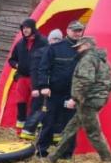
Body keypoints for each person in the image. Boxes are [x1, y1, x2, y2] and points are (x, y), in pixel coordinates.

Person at [48, 36, 111, 163]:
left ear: (86, 45)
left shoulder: (88, 59)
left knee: (93, 132)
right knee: (71, 128)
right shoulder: (103, 60)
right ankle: (53, 157)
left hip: (87, 101)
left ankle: (108, 160)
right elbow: (109, 83)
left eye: (79, 47)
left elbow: (85, 81)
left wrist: (75, 98)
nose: (77, 50)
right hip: (98, 98)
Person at [33, 21, 87, 155]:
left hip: (72, 95)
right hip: (54, 93)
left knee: (70, 125)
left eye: (79, 30)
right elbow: (43, 68)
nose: (76, 33)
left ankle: (67, 153)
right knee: (48, 122)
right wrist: (44, 86)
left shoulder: (84, 50)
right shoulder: (55, 48)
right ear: (67, 31)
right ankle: (41, 150)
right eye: (74, 30)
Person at [7, 18, 48, 130]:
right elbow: (11, 60)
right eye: (23, 28)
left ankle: (33, 129)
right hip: (22, 77)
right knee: (21, 103)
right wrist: (17, 65)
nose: (25, 30)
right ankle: (20, 130)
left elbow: (48, 59)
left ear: (33, 28)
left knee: (36, 104)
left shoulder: (43, 42)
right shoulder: (20, 43)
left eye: (27, 28)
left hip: (37, 79)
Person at [23, 28, 62, 141]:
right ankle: (28, 132)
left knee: (55, 112)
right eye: (54, 39)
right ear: (49, 40)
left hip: (54, 88)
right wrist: (36, 88)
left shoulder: (61, 53)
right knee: (38, 110)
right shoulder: (40, 52)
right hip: (41, 87)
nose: (56, 41)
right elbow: (34, 71)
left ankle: (54, 136)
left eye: (59, 39)